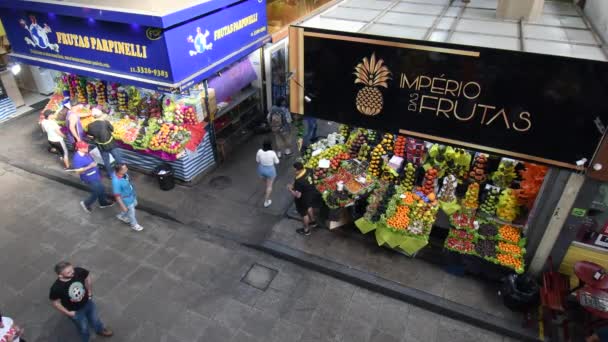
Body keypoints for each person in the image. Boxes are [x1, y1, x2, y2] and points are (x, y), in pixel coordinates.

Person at [49, 261, 113, 342]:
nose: (73, 272)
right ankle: (86, 339)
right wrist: (68, 313)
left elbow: (87, 277)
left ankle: (100, 330)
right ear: (60, 275)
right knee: (83, 327)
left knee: (95, 319)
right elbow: (55, 302)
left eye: (72, 269)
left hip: (88, 302)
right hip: (75, 311)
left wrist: (89, 292)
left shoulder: (78, 271)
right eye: (69, 272)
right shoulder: (56, 288)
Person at [72, 141, 114, 213]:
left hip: (95, 174)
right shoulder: (77, 159)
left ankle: (103, 202)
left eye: (87, 146)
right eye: (85, 147)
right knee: (98, 191)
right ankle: (86, 203)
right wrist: (90, 166)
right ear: (79, 149)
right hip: (89, 177)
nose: (87, 148)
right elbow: (78, 172)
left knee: (101, 188)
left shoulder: (85, 153)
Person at [86, 110, 122, 177]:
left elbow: (90, 136)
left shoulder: (90, 126)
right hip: (111, 144)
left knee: (106, 161)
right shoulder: (105, 122)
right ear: (101, 115)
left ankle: (111, 175)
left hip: (101, 146)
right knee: (118, 158)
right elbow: (112, 129)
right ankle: (122, 173)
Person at [288, 161, 318, 236]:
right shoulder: (308, 169)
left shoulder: (299, 181)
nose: (294, 171)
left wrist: (290, 189)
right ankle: (313, 222)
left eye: (294, 169)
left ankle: (306, 230)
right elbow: (315, 177)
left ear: (298, 170)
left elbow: (298, 195)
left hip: (303, 199)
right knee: (309, 207)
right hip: (311, 194)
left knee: (304, 214)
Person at [112, 163, 143, 231]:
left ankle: (121, 216)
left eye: (126, 168)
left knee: (135, 204)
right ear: (119, 171)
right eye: (124, 169)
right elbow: (117, 196)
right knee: (131, 212)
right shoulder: (116, 182)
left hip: (132, 195)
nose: (127, 169)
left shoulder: (125, 175)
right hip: (126, 199)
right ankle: (134, 224)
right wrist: (123, 206)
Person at [256, 139, 280, 208]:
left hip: (261, 169)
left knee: (265, 181)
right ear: (270, 145)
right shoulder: (272, 153)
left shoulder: (259, 151)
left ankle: (266, 187)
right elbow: (277, 162)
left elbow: (257, 160)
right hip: (270, 171)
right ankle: (266, 201)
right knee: (269, 186)